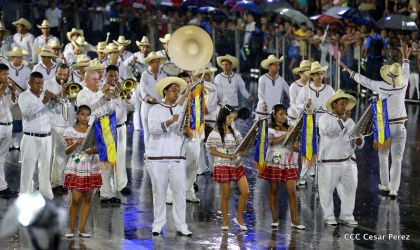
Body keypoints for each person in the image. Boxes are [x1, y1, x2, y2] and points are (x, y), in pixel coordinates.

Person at [340, 43, 410, 199]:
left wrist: (349, 71)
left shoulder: (381, 86)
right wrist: (405, 55)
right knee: (397, 159)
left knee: (383, 156)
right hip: (400, 127)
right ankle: (394, 189)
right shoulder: (404, 83)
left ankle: (385, 185)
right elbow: (406, 68)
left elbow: (364, 80)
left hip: (385, 127)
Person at [146, 76, 192, 236]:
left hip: (177, 157)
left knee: (180, 192)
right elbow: (153, 129)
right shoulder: (155, 110)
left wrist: (188, 132)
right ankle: (158, 224)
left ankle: (182, 225)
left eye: (178, 91)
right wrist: (170, 121)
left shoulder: (181, 110)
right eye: (173, 90)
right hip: (157, 158)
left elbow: (187, 133)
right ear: (165, 91)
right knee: (159, 192)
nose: (176, 93)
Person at [318, 90, 364, 226]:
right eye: (342, 104)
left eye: (346, 104)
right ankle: (328, 216)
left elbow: (357, 138)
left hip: (348, 161)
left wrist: (359, 142)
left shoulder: (350, 121)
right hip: (329, 162)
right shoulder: (324, 119)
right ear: (334, 105)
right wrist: (343, 121)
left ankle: (347, 215)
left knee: (350, 189)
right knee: (326, 191)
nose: (345, 107)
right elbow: (329, 131)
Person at [258, 104, 305, 230]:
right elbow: (271, 142)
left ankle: (294, 221)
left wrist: (296, 147)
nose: (283, 116)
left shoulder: (290, 128)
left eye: (284, 113)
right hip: (275, 160)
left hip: (289, 162)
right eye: (280, 114)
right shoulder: (269, 127)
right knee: (273, 190)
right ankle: (274, 219)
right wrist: (286, 135)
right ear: (274, 115)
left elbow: (295, 145)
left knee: (292, 192)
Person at [76, 70, 118, 204]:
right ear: (86, 81)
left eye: (99, 80)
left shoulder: (101, 93)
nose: (98, 82)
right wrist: (101, 94)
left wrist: (110, 99)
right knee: (86, 163)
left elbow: (111, 109)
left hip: (105, 128)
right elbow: (86, 109)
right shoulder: (82, 94)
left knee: (105, 162)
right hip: (90, 131)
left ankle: (106, 193)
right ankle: (82, 190)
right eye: (94, 80)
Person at [205, 105, 250, 231]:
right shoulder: (215, 133)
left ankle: (239, 217)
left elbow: (242, 150)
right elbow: (212, 150)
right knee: (225, 195)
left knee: (246, 192)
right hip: (222, 165)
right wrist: (227, 155)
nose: (232, 121)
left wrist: (246, 149)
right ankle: (225, 221)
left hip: (237, 165)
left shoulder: (236, 133)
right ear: (223, 117)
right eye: (230, 118)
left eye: (233, 118)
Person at [63, 105, 101, 238]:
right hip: (77, 164)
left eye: (88, 115)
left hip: (92, 165)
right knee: (76, 198)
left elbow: (101, 149)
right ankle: (71, 229)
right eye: (83, 114)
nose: (85, 117)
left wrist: (94, 150)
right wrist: (77, 143)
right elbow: (68, 151)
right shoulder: (70, 130)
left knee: (88, 198)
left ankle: (82, 229)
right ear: (77, 116)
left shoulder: (95, 131)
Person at [18, 72, 57, 199]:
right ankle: (25, 194)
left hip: (47, 137)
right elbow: (26, 112)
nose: (40, 86)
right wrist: (43, 101)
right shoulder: (24, 96)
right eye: (37, 83)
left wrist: (54, 101)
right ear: (29, 83)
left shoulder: (44, 95)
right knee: (28, 168)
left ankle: (46, 194)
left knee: (46, 167)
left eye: (41, 83)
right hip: (30, 137)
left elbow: (56, 111)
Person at [296, 61, 335, 186]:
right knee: (308, 150)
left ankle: (322, 176)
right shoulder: (306, 89)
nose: (319, 76)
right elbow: (297, 104)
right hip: (310, 125)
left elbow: (334, 105)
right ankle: (302, 175)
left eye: (321, 74)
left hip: (325, 125)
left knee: (324, 151)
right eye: (316, 74)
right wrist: (304, 105)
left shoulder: (329, 89)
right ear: (312, 75)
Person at [101, 65, 133, 196]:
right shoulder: (101, 88)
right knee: (107, 159)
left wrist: (123, 92)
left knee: (120, 157)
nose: (113, 78)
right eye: (110, 76)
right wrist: (105, 93)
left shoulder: (123, 88)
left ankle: (121, 185)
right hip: (106, 127)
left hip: (120, 126)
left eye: (115, 76)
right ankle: (104, 187)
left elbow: (133, 105)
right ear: (106, 76)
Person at [43, 63, 74, 195]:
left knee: (61, 156)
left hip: (66, 124)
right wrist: (61, 93)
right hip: (50, 123)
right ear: (55, 72)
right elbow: (46, 104)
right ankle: (43, 183)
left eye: (65, 75)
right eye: (60, 74)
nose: (62, 77)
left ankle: (56, 183)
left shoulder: (72, 85)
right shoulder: (47, 84)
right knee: (47, 155)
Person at [137, 52, 167, 155]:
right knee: (148, 130)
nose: (157, 64)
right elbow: (142, 89)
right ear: (150, 63)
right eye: (154, 62)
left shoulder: (163, 75)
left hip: (159, 107)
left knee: (159, 130)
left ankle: (158, 152)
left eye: (158, 62)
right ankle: (148, 152)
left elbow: (165, 89)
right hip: (147, 106)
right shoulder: (145, 75)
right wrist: (149, 98)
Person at [6, 48, 31, 151]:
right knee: (9, 120)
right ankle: (10, 143)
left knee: (20, 120)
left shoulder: (27, 69)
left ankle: (19, 143)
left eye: (21, 57)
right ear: (12, 57)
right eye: (17, 57)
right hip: (8, 96)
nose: (19, 59)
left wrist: (24, 94)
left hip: (22, 97)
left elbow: (29, 84)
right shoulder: (7, 68)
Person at [0, 63, 19, 198]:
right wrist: (3, 88)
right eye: (4, 74)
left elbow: (12, 104)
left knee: (2, 158)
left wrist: (12, 92)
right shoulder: (2, 88)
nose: (7, 76)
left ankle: (2, 187)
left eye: (7, 74)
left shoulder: (6, 88)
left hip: (8, 125)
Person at [288, 60, 311, 124]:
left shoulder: (312, 86)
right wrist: (299, 112)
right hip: (294, 117)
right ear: (300, 73)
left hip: (308, 117)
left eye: (308, 72)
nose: (307, 75)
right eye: (304, 72)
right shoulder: (294, 86)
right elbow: (293, 103)